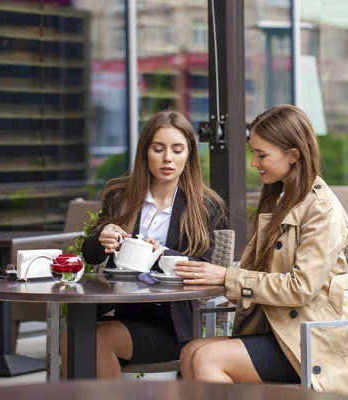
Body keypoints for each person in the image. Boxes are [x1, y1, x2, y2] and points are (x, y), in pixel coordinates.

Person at [174, 105, 348, 399]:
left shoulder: (322, 208)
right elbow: (257, 276)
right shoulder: (279, 199)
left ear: (293, 155)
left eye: (261, 154)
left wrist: (229, 277)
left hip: (316, 342)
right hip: (282, 331)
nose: (254, 162)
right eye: (252, 152)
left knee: (207, 358)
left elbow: (301, 288)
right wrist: (217, 279)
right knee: (191, 351)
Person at [61, 109, 225, 379]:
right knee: (74, 339)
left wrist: (160, 253)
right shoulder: (121, 194)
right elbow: (89, 256)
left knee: (96, 341)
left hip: (173, 324)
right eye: (158, 149)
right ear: (145, 152)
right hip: (124, 311)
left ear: (189, 155)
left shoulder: (204, 205)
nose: (167, 158)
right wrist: (102, 237)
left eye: (177, 149)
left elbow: (202, 268)